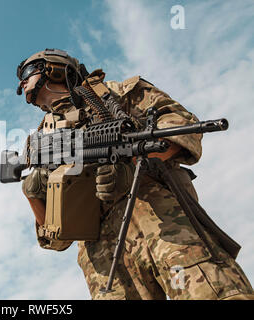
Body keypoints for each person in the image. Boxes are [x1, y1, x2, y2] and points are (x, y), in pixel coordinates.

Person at [16, 48, 254, 300]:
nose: (22, 82)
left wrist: (132, 165)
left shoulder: (118, 94)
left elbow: (182, 127)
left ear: (55, 68)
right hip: (104, 260)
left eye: (29, 71)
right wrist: (32, 193)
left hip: (161, 221)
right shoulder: (40, 141)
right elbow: (57, 241)